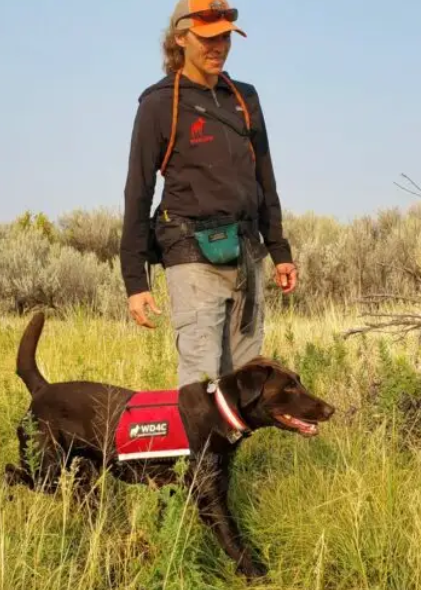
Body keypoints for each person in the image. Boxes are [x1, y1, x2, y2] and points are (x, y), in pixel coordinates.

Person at [119, 0, 298, 388]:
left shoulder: (245, 99)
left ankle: (235, 435)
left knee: (247, 386)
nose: (219, 47)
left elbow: (264, 178)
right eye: (208, 39)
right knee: (202, 384)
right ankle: (197, 434)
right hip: (191, 256)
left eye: (225, 38)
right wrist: (135, 281)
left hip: (248, 256)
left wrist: (279, 250)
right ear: (181, 39)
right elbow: (138, 192)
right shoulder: (158, 104)